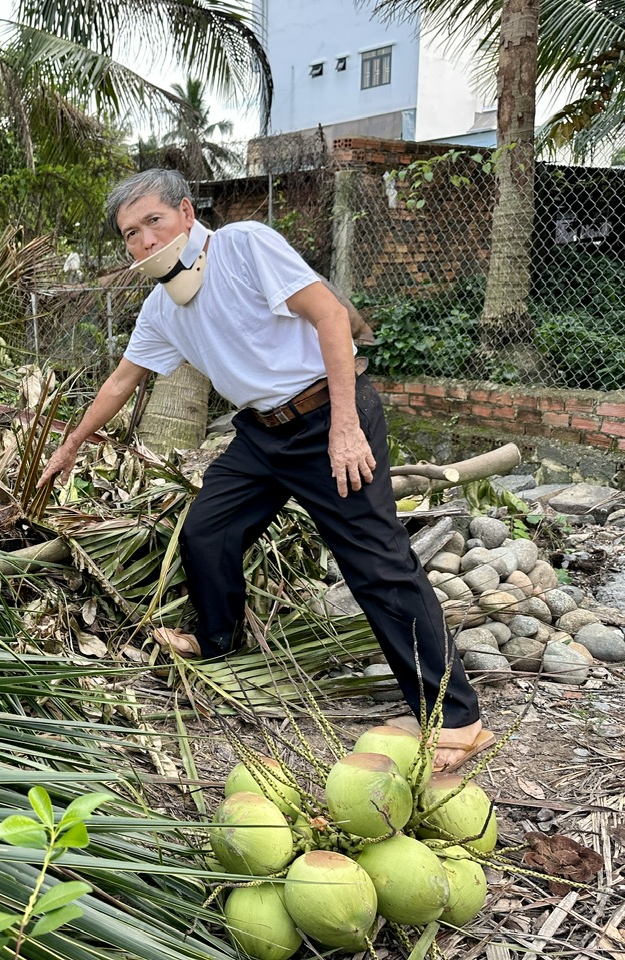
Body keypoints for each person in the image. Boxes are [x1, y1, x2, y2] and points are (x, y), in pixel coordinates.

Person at [37, 169, 491, 772]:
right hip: (260, 434)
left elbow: (330, 316)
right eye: (130, 233)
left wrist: (346, 427)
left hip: (329, 411)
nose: (144, 240)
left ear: (187, 212)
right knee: (208, 531)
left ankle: (458, 717)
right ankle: (217, 639)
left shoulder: (244, 245)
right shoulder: (160, 309)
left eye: (154, 221)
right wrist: (72, 443)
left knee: (377, 565)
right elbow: (123, 380)